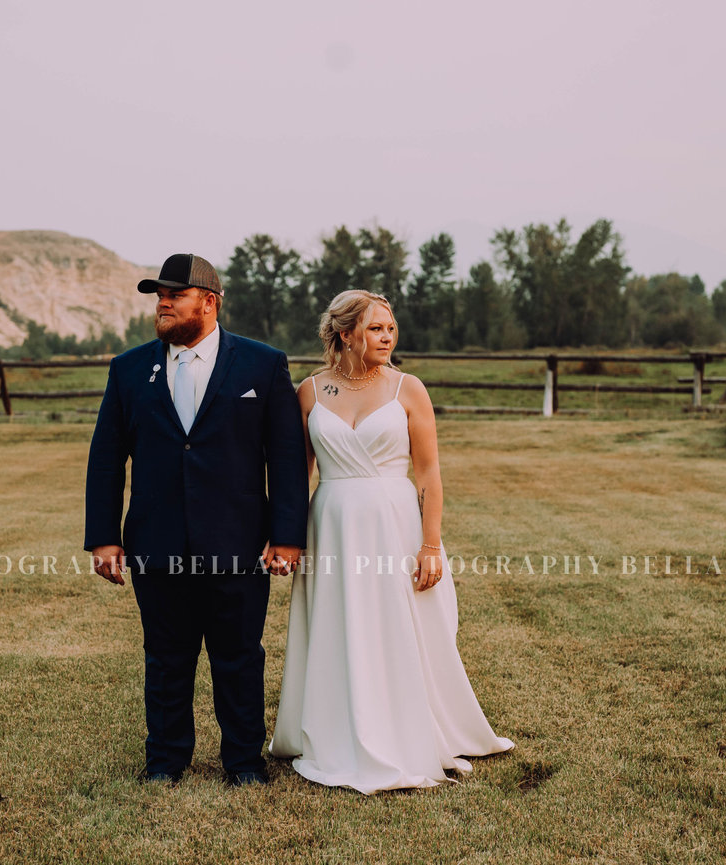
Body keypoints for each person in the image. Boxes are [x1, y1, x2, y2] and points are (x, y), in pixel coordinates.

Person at [269, 289, 513, 794]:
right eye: (376, 328)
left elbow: (428, 473)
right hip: (332, 526)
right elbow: (298, 475)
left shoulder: (408, 388)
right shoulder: (311, 392)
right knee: (339, 624)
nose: (387, 336)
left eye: (391, 328)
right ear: (345, 333)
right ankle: (338, 729)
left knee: (401, 626)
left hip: (395, 526)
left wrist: (430, 545)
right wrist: (285, 537)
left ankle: (407, 728)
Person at [85, 253, 308, 787]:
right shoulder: (130, 368)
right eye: (158, 295)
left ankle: (244, 764)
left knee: (239, 660)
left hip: (239, 543)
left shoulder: (262, 364)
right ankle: (164, 762)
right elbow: (107, 456)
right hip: (157, 543)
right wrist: (103, 538)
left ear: (209, 302)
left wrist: (288, 536)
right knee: (165, 659)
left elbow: (285, 457)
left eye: (174, 295)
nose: (162, 304)